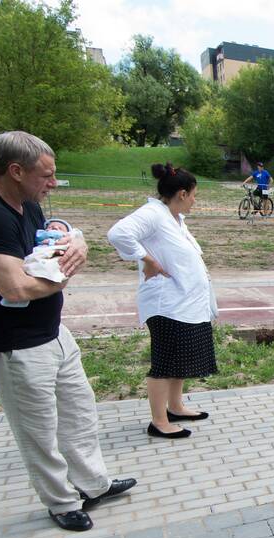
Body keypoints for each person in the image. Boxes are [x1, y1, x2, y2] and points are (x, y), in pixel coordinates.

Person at [0, 130, 136, 532]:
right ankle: (61, 501)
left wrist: (77, 247)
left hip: (53, 332)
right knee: (38, 430)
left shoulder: (28, 204)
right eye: (46, 176)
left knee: (79, 412)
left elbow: (51, 251)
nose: (53, 183)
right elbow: (15, 286)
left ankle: (93, 484)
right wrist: (65, 276)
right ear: (15, 171)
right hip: (15, 346)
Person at [107, 162, 219, 440]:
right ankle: (159, 421)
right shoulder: (153, 214)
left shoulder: (174, 218)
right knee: (165, 362)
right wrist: (147, 260)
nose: (195, 200)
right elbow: (118, 233)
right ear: (182, 193)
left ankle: (176, 407)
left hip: (184, 303)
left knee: (178, 360)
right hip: (166, 305)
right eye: (194, 195)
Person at [0, 218, 76, 308]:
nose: (55, 227)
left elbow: (69, 242)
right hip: (39, 254)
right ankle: (19, 299)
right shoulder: (41, 235)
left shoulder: (65, 237)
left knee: (48, 268)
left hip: (53, 254)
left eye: (60, 228)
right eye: (51, 227)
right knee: (30, 267)